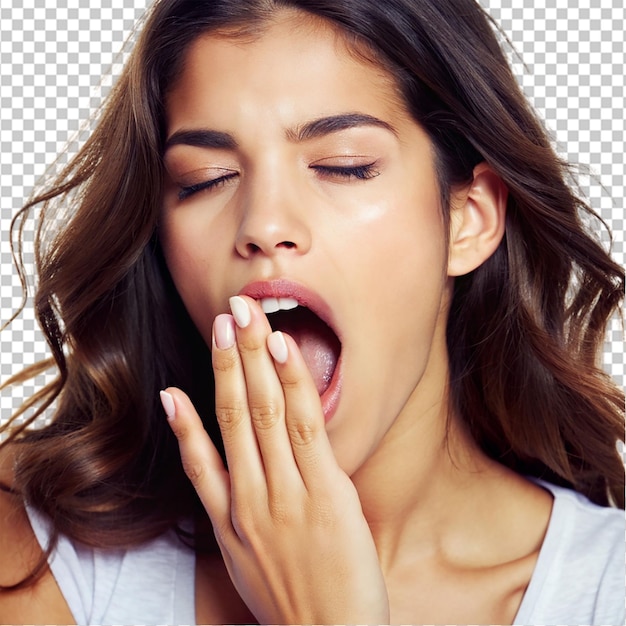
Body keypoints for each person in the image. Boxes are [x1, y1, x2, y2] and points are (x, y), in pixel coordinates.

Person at [0, 0, 624, 623]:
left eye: (342, 166)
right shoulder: (44, 555)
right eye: (204, 178)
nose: (264, 225)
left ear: (468, 218)